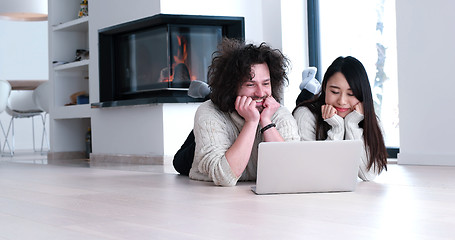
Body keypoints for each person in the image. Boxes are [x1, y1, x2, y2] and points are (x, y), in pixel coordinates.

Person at [178, 38, 300, 186]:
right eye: (250, 84)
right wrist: (251, 122)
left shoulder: (279, 113)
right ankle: (211, 95)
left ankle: (210, 93)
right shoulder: (208, 112)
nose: (261, 92)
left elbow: (292, 171)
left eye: (266, 83)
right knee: (179, 162)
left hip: (233, 130)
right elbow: (225, 178)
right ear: (232, 86)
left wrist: (266, 122)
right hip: (213, 133)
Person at [293, 56, 387, 181]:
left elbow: (369, 174)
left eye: (351, 94)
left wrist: (351, 125)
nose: (342, 101)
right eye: (335, 92)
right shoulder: (305, 115)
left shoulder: (369, 119)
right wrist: (337, 128)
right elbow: (315, 173)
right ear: (325, 88)